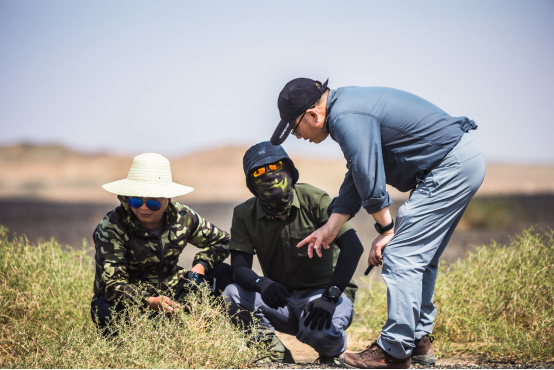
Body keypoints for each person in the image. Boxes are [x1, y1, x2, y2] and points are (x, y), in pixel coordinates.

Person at [271, 78, 486, 368]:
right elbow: (359, 172)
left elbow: (369, 178)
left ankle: (394, 350)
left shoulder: (346, 117)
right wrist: (332, 226)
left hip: (449, 165)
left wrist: (387, 231)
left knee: (401, 254)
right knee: (420, 257)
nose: (298, 137)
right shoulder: (346, 107)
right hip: (459, 160)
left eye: (295, 129)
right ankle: (418, 340)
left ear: (313, 115)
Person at [222, 141, 364, 365]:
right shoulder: (243, 214)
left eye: (276, 166)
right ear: (251, 182)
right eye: (259, 171)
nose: (269, 175)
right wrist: (261, 283)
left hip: (324, 297)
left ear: (289, 169)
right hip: (282, 300)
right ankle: (274, 352)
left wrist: (330, 297)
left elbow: (353, 247)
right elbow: (239, 268)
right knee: (232, 294)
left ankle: (333, 351)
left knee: (319, 332)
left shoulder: (314, 199)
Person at [91, 152, 233, 332]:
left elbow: (224, 241)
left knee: (223, 272)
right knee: (105, 310)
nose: (143, 208)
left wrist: (201, 265)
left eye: (152, 203)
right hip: (131, 300)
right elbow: (112, 285)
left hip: (172, 292)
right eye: (135, 201)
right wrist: (148, 302)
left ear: (167, 199)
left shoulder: (183, 217)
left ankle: (233, 333)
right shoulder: (112, 226)